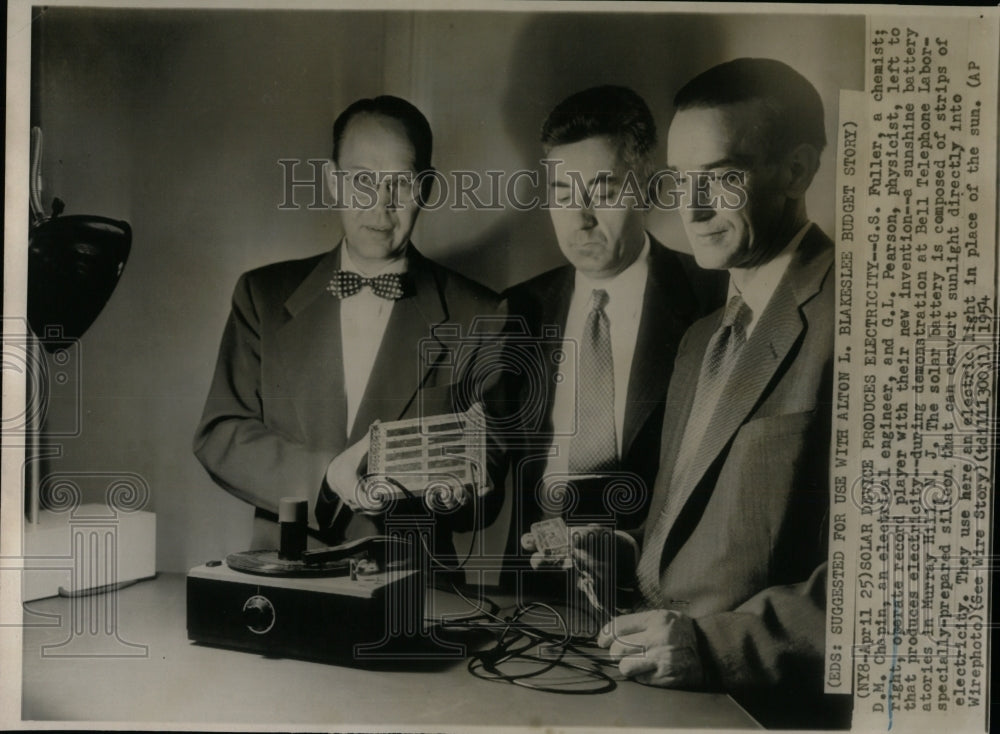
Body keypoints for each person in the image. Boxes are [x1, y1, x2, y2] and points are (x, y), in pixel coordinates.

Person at [529, 60, 839, 727]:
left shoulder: (874, 320)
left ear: (798, 169)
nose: (689, 208)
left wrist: (713, 646)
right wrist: (625, 551)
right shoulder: (703, 337)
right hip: (661, 696)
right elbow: (698, 533)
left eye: (722, 178)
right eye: (681, 179)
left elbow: (903, 581)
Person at [194, 95, 500, 553]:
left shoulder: (480, 314)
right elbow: (220, 433)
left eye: (400, 183)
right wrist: (326, 474)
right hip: (284, 574)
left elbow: (485, 489)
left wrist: (460, 482)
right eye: (362, 180)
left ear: (428, 188)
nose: (380, 205)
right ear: (331, 182)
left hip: (410, 593)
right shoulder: (262, 295)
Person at [488, 86, 720, 571]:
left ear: (648, 189)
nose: (581, 218)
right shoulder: (519, 310)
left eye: (605, 191)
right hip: (535, 580)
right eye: (563, 194)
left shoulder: (711, 299)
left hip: (663, 578)